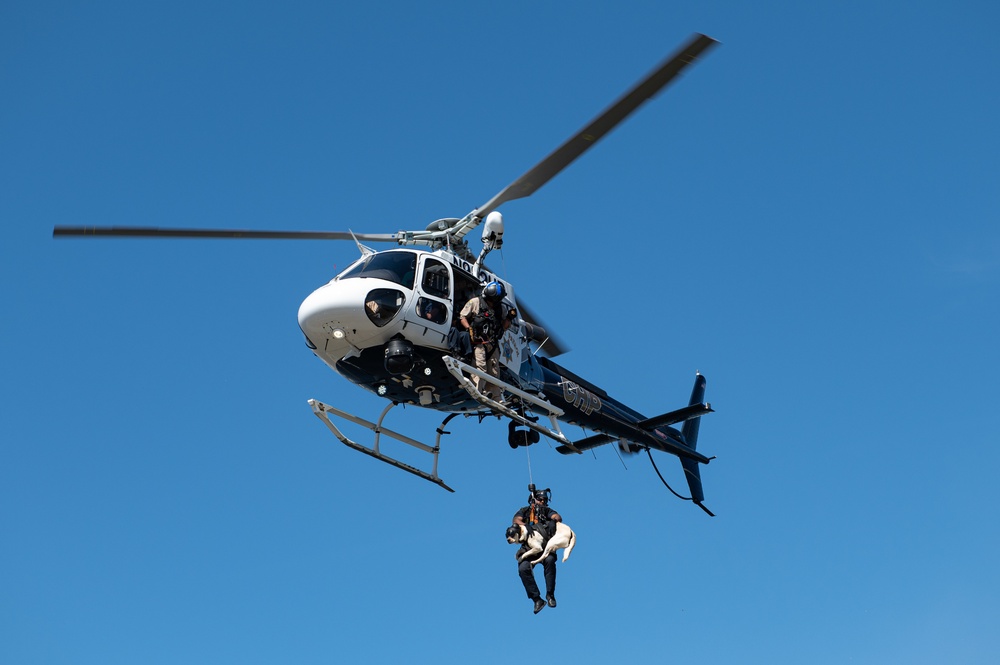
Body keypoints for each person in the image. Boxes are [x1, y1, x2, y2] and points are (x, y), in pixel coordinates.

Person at [512, 487, 562, 614]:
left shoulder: (547, 511)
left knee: (550, 561)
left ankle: (550, 595)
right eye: (541, 499)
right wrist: (524, 525)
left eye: (545, 500)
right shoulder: (525, 511)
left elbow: (557, 516)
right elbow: (516, 519)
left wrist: (554, 521)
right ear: (534, 500)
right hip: (529, 548)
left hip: (545, 547)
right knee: (523, 568)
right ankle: (537, 599)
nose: (543, 502)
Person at [459, 281, 511, 400]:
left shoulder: (501, 309)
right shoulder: (475, 302)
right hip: (479, 343)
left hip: (492, 344)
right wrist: (469, 329)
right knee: (480, 367)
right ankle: (477, 391)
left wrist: (509, 318)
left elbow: (504, 326)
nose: (493, 304)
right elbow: (462, 317)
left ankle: (496, 398)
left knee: (494, 372)